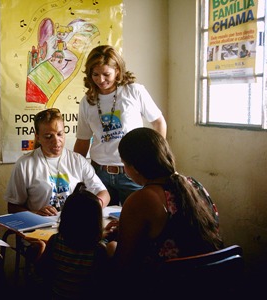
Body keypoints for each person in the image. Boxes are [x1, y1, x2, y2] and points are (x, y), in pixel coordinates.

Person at [104, 128, 223, 297]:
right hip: (209, 283)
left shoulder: (143, 198)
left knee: (109, 250)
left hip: (167, 287)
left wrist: (111, 242)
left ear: (135, 168)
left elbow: (123, 265)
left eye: (124, 164)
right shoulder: (193, 185)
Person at [74, 45, 167, 206]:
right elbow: (82, 141)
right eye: (95, 74)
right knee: (99, 223)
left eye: (106, 74)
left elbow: (158, 122)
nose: (101, 80)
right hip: (99, 173)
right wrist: (74, 173)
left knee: (137, 221)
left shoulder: (134, 91)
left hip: (132, 172)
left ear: (117, 70)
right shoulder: (87, 101)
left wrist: (155, 157)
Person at [5, 108, 110, 216]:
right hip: (41, 228)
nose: (56, 141)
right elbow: (13, 207)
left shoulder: (78, 160)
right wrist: (35, 213)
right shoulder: (25, 165)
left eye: (60, 134)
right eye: (48, 137)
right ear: (38, 137)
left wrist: (93, 207)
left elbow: (104, 193)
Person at [34, 182, 110, 299]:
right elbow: (103, 282)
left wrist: (41, 248)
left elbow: (41, 269)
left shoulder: (56, 241)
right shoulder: (98, 250)